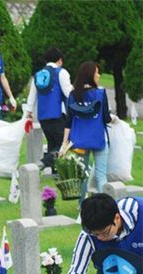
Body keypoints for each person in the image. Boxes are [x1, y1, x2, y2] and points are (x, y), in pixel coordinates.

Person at [59, 61, 114, 204]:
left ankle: (83, 206)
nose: (99, 75)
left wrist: (64, 143)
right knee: (101, 176)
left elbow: (69, 121)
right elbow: (106, 118)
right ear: (90, 75)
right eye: (97, 72)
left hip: (79, 142)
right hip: (99, 140)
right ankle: (105, 205)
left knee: (81, 176)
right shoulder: (101, 94)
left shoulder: (73, 95)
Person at [25, 47, 73, 171]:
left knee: (53, 144)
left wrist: (28, 113)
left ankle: (56, 171)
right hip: (57, 114)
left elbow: (32, 96)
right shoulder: (61, 72)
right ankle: (40, 164)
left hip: (42, 116)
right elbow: (69, 93)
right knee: (63, 144)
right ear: (60, 60)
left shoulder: (38, 75)